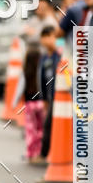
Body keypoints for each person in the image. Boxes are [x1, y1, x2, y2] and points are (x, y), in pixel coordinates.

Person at [39, 25, 61, 160]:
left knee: (49, 125)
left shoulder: (59, 56)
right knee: (48, 124)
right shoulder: (44, 58)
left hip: (58, 96)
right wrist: (43, 98)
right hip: (49, 96)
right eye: (45, 37)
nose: (49, 40)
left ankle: (44, 154)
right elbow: (41, 78)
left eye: (52, 37)